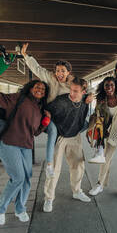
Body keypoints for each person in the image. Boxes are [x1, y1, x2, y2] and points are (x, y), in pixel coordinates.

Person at [21, 43, 93, 178]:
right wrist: (26, 56)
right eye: (58, 71)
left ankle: (70, 135)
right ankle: (49, 165)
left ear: (68, 72)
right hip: (51, 114)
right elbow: (37, 69)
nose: (59, 74)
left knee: (85, 124)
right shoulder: (50, 77)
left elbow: (87, 89)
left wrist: (90, 95)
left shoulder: (73, 83)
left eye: (63, 71)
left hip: (66, 118)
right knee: (53, 132)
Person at [0, 79, 50, 225]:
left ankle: (20, 209)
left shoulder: (40, 108)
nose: (40, 90)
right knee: (18, 178)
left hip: (26, 145)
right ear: (30, 88)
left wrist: (45, 122)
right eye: (37, 87)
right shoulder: (18, 98)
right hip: (8, 142)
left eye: (43, 89)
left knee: (27, 178)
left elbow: (35, 132)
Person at [43, 77, 92, 212]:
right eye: (71, 90)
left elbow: (83, 117)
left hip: (75, 136)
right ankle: (48, 198)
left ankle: (76, 191)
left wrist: (89, 97)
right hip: (60, 136)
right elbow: (46, 110)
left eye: (76, 91)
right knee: (54, 169)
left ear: (83, 92)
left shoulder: (85, 101)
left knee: (78, 165)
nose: (72, 93)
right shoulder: (61, 101)